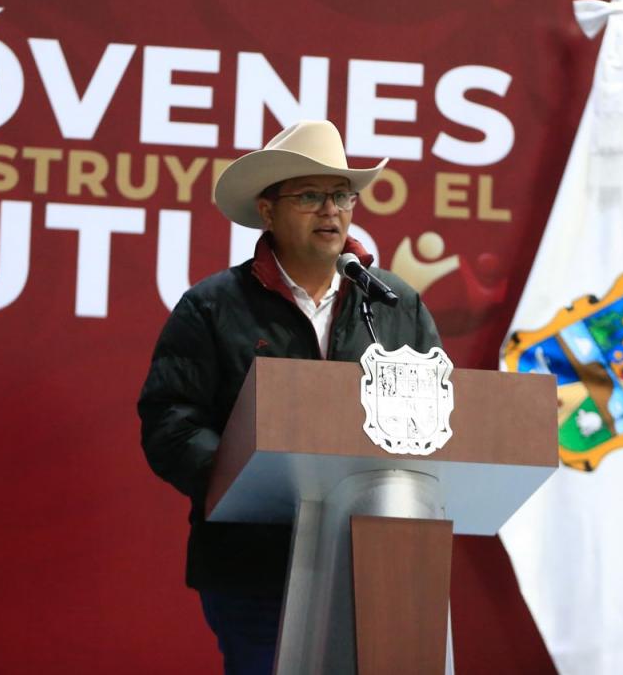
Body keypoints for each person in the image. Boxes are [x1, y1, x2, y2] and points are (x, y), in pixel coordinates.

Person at [137, 120, 441, 675]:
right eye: (309, 196)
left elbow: (437, 419)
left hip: (374, 561)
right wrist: (251, 482)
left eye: (341, 196)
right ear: (268, 211)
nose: (331, 211)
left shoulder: (394, 304)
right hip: (254, 564)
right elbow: (170, 424)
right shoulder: (212, 307)